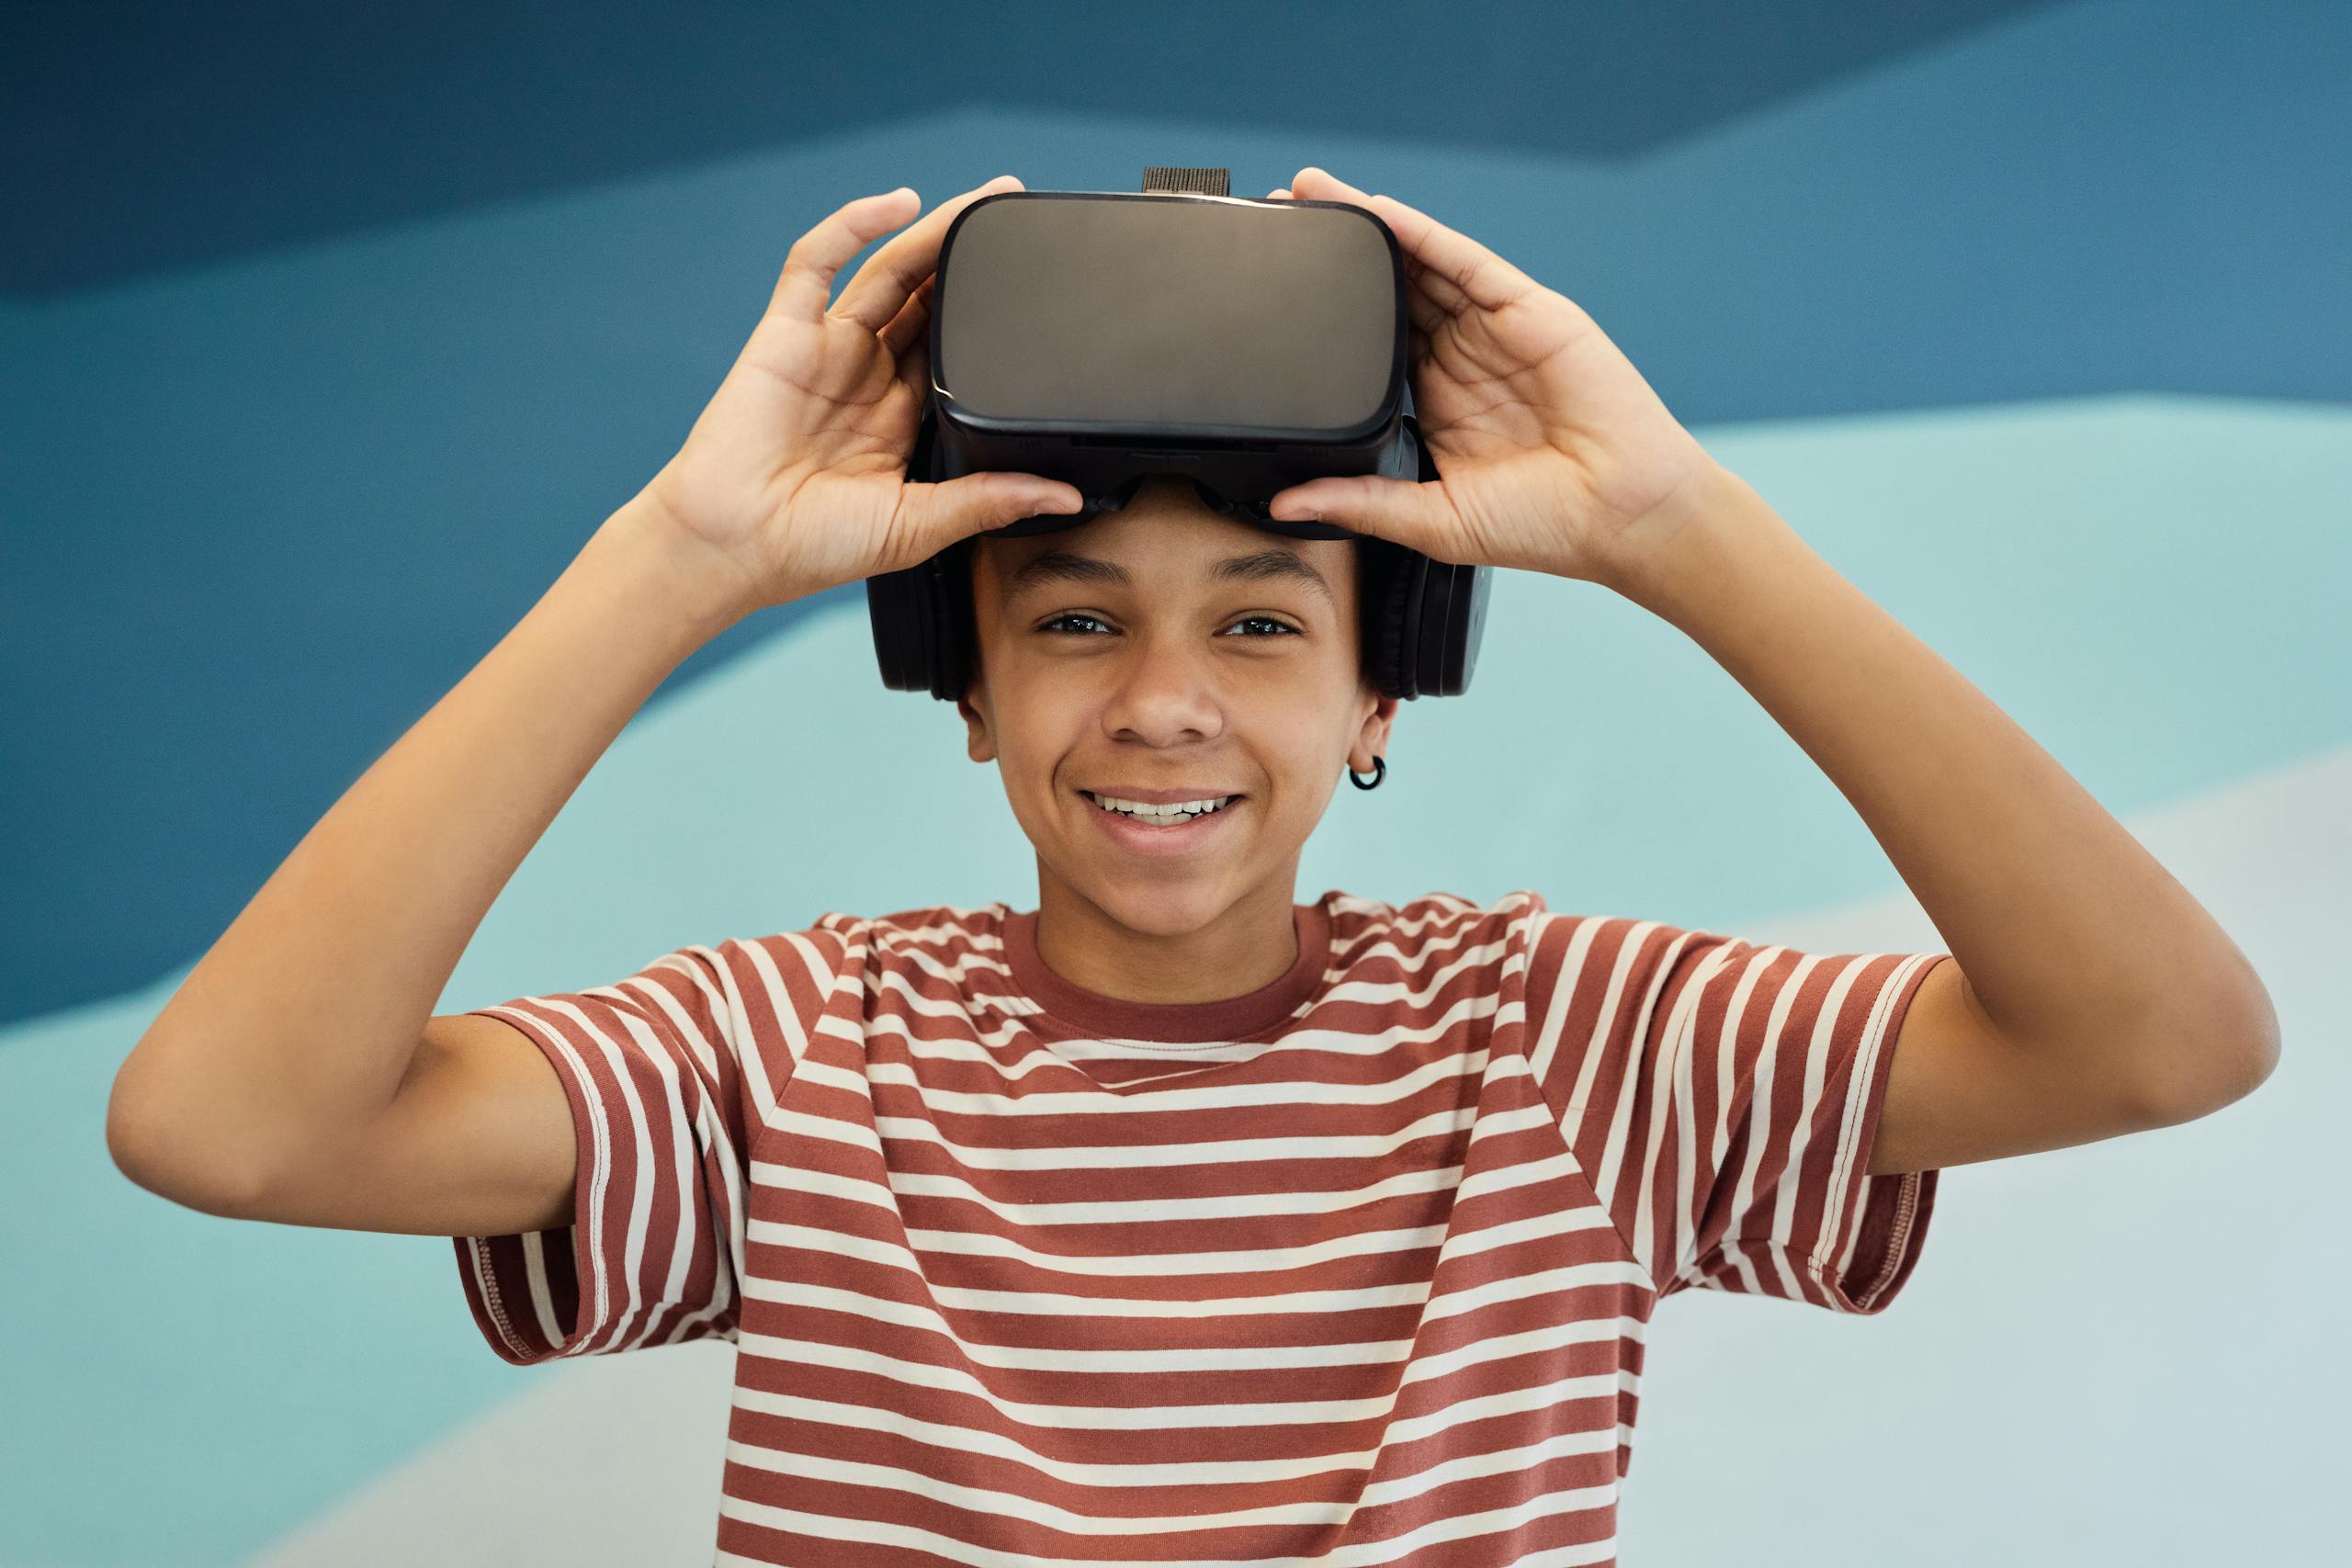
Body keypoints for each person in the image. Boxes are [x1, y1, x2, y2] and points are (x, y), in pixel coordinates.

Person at [106, 168, 2280, 1564]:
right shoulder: (797, 1043)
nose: (1159, 699)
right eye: (1069, 619)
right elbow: (226, 1121)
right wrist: (670, 563)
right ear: (960, 688)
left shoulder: (1560, 1036)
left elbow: (2163, 1039)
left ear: (1380, 695)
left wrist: (1669, 531)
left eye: (1260, 621)